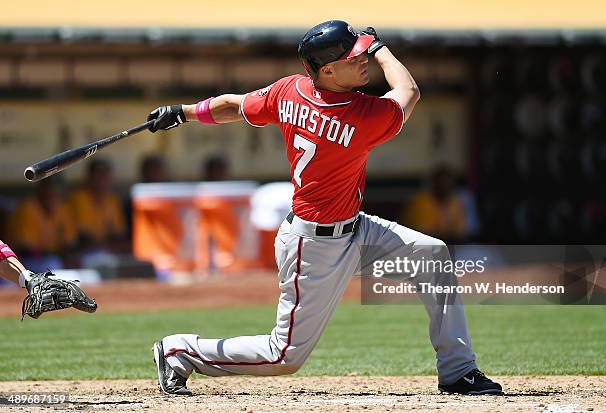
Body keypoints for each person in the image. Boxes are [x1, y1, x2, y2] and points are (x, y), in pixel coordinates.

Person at [146, 20, 502, 396]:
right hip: (312, 245)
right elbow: (408, 90)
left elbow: (234, 105)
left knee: (432, 256)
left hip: (357, 228)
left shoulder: (290, 89)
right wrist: (381, 49)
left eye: (364, 52)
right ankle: (178, 351)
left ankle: (458, 372)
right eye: (354, 56)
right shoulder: (360, 114)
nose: (364, 58)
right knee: (283, 356)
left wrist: (183, 111)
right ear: (327, 70)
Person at [7, 177, 77, 271]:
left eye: (56, 190)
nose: (52, 193)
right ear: (40, 190)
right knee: (53, 265)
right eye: (49, 189)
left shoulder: (62, 209)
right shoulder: (28, 208)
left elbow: (69, 244)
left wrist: (69, 257)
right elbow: (26, 250)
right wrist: (59, 255)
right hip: (21, 262)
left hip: (51, 259)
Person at [65, 158, 128, 253]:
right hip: (83, 252)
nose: (101, 180)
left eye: (104, 175)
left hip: (109, 251)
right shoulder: (78, 199)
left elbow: (118, 233)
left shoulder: (112, 200)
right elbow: (83, 237)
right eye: (97, 175)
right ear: (89, 177)